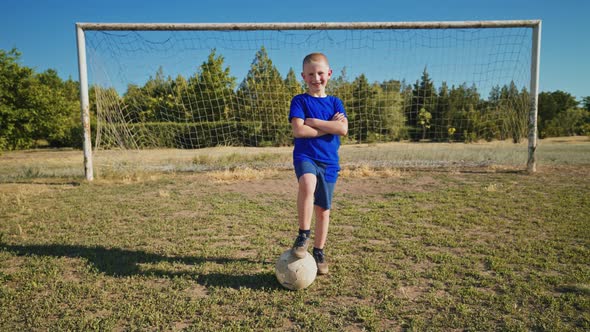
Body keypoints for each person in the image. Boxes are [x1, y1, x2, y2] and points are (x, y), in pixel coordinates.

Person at [288, 53, 348, 275]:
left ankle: (319, 251)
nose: (316, 78)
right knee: (307, 184)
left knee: (323, 210)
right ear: (303, 76)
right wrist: (328, 126)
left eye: (320, 73)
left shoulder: (335, 102)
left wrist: (315, 122)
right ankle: (303, 234)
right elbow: (298, 130)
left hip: (329, 162)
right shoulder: (300, 101)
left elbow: (343, 129)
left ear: (329, 74)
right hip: (306, 157)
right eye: (311, 74)